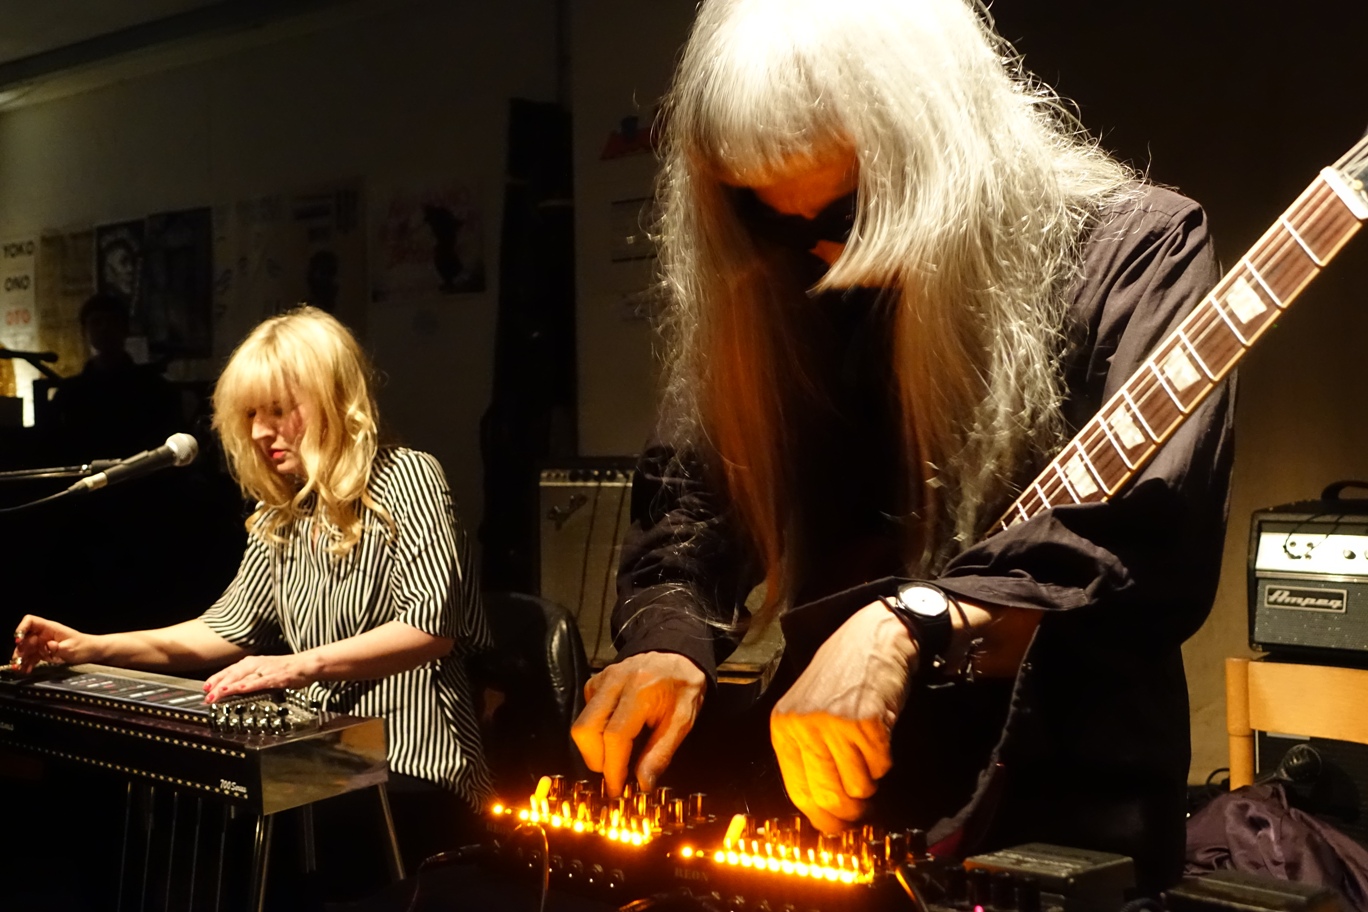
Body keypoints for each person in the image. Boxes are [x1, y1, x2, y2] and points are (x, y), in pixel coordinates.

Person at [569, 0, 1235, 894]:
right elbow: (692, 497)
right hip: (830, 805)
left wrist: (908, 620)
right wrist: (669, 639)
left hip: (1063, 809)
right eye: (766, 219)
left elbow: (1147, 538)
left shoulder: (1134, 249)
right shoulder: (780, 282)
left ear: (940, 143)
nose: (825, 250)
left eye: (856, 205)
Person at [11, 305, 493, 877]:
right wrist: (89, 647)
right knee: (188, 817)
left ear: (334, 399)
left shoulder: (406, 478)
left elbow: (430, 629)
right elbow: (221, 631)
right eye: (252, 415)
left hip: (411, 763)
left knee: (253, 843)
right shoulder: (282, 514)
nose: (261, 432)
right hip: (326, 757)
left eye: (280, 410)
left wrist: (295, 667)